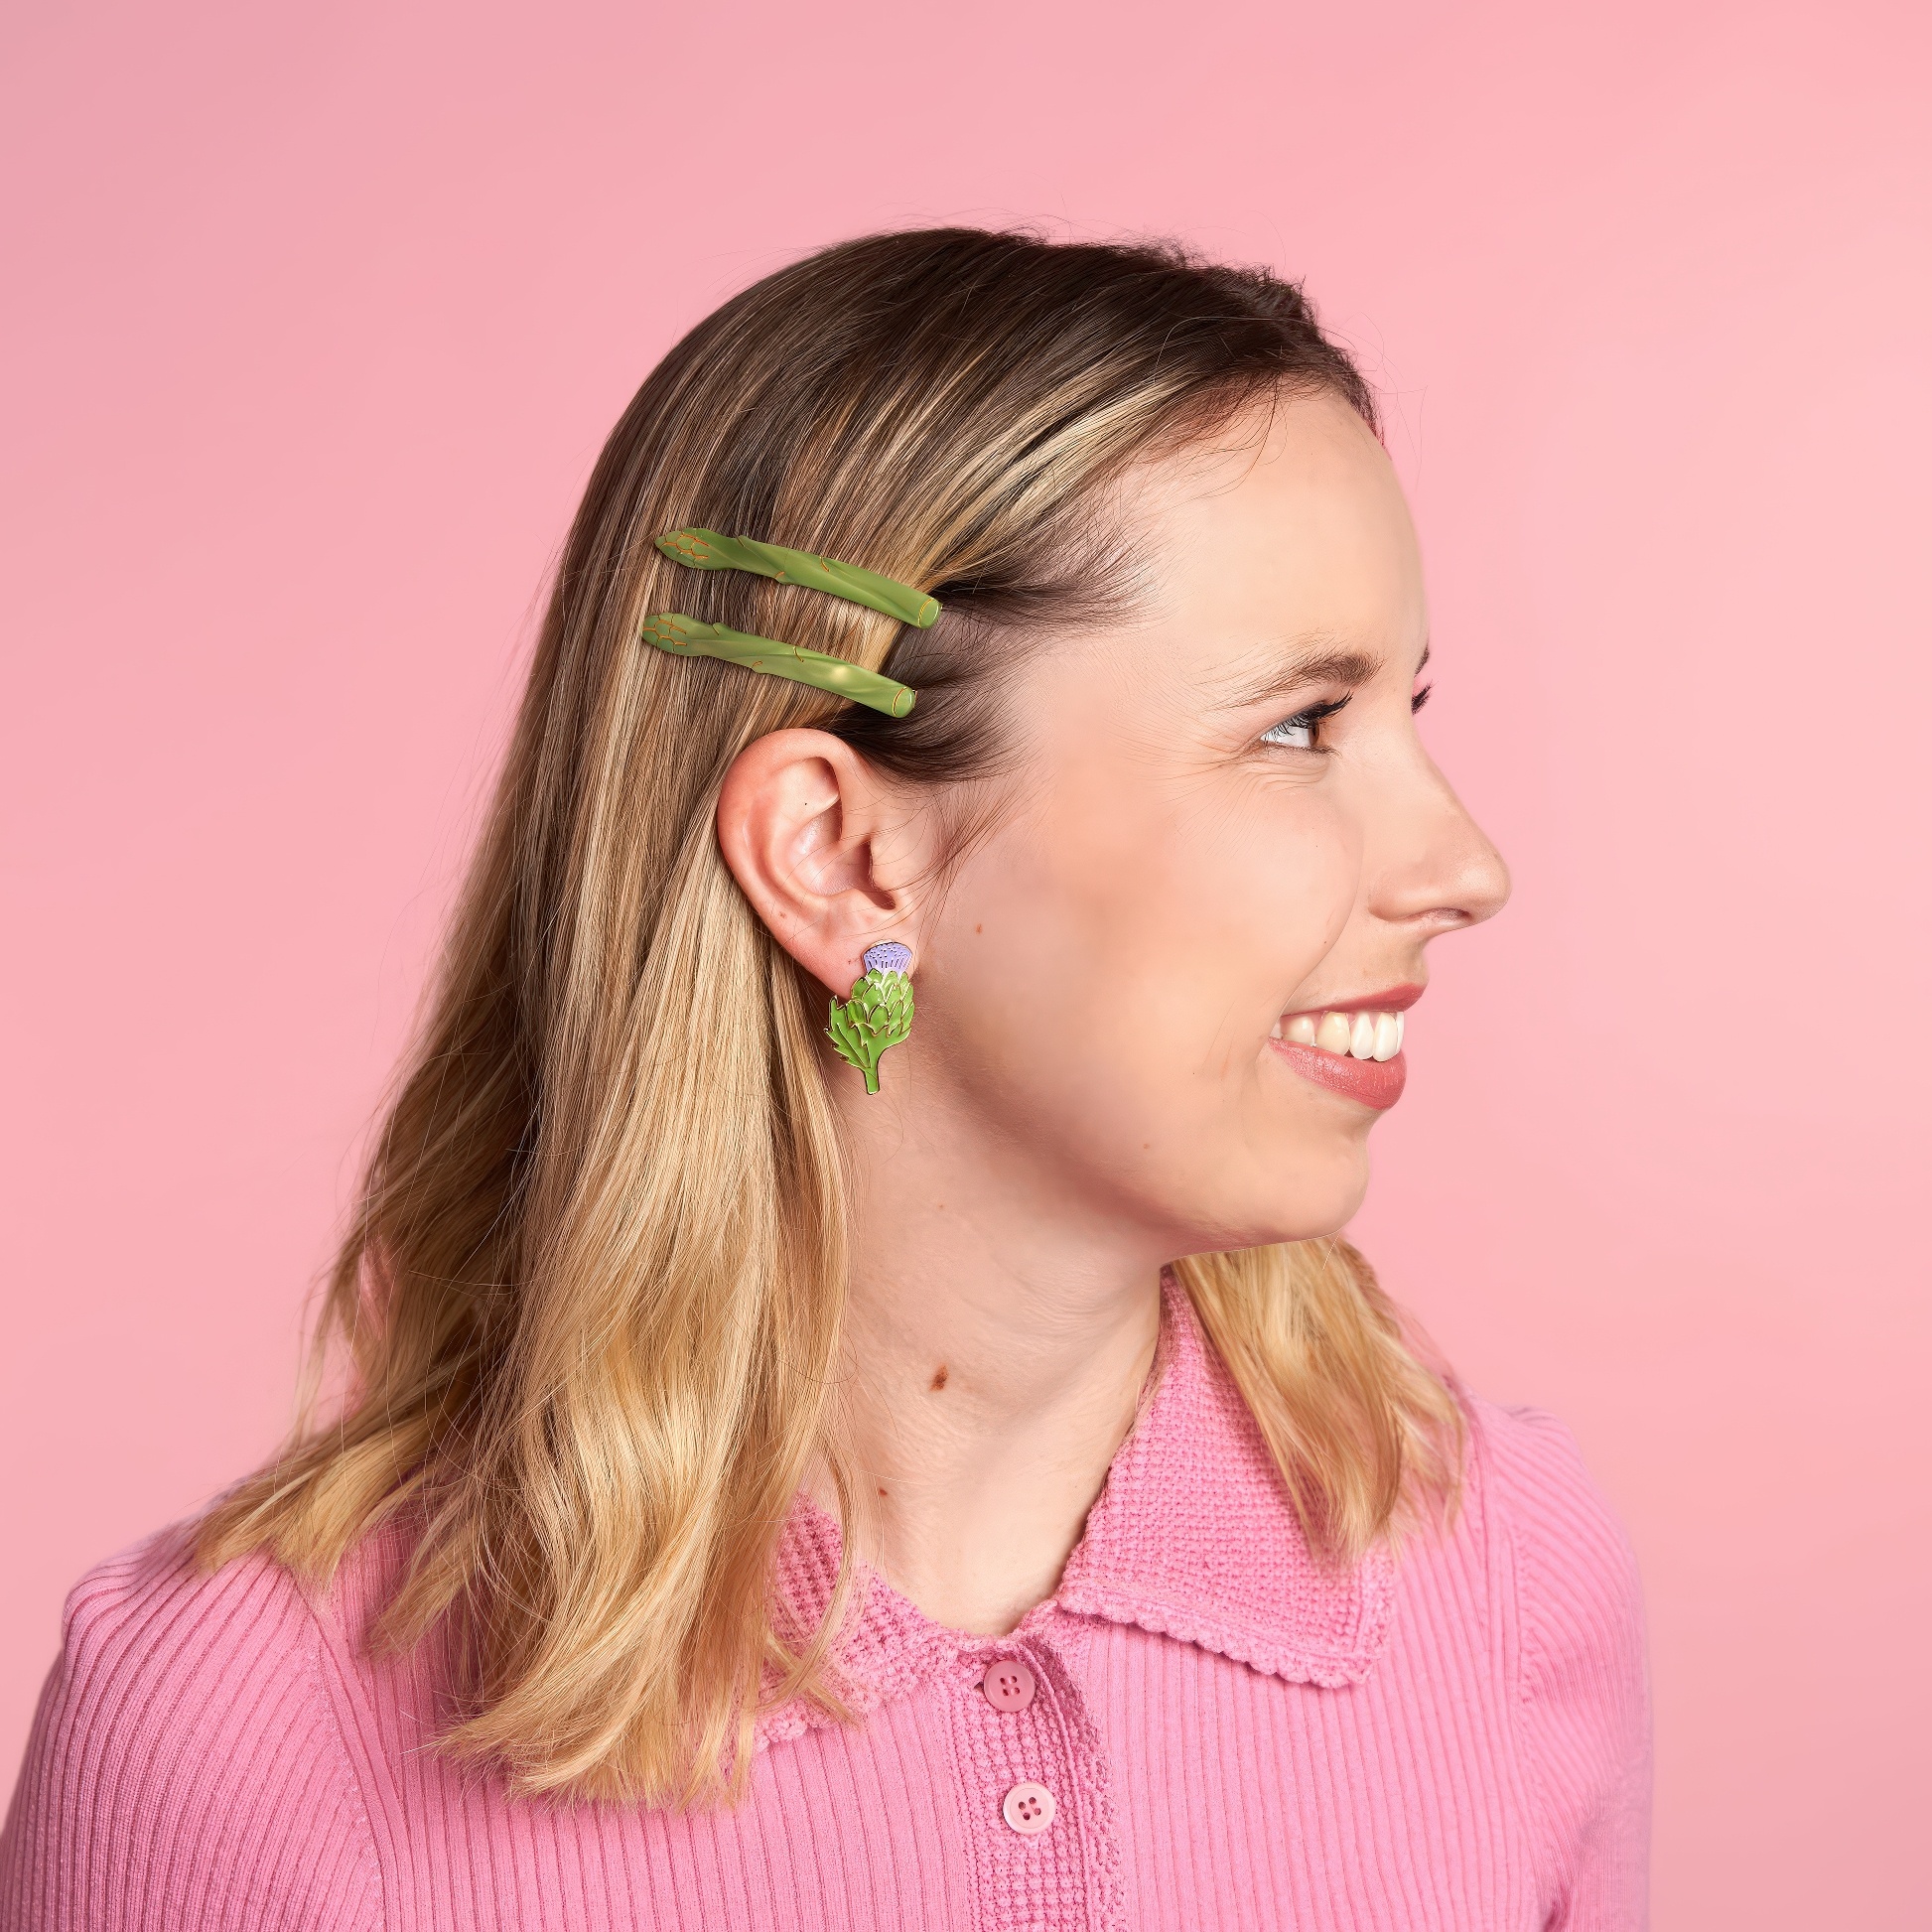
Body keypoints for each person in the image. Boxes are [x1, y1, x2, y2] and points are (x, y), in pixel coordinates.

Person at [0, 228, 1648, 1930]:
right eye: (1298, 727)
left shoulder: (1506, 1573)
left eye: (1408, 710)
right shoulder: (239, 1732)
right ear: (844, 854)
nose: (1462, 863)